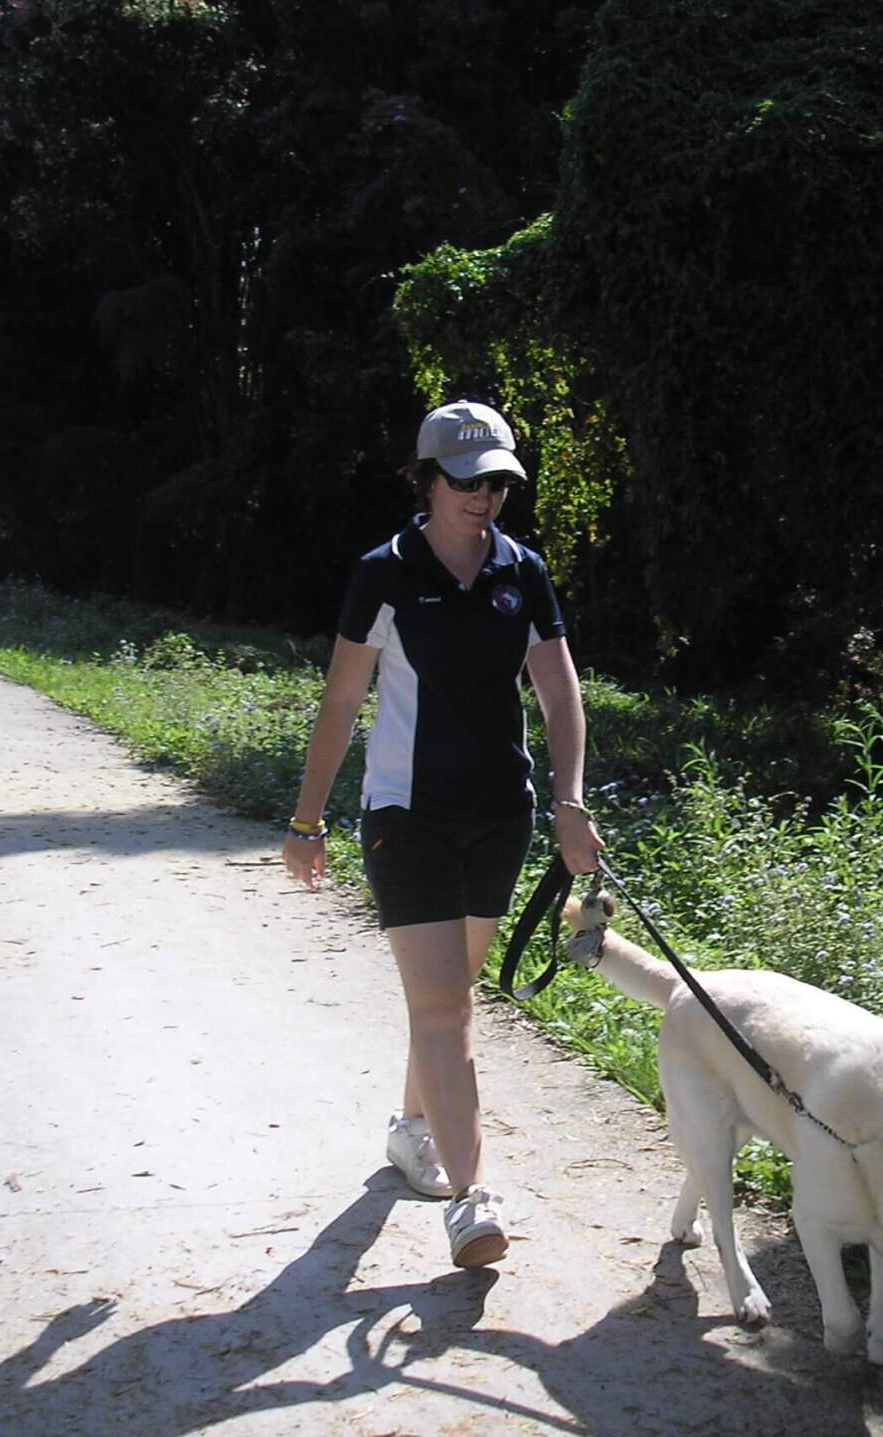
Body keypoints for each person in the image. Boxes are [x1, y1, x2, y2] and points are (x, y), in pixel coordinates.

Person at [281, 399, 603, 1268]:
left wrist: (570, 801)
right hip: (406, 818)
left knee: (447, 998)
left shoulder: (522, 571)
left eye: (497, 480)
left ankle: (411, 1126)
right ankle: (471, 1198)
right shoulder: (383, 572)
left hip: (501, 816)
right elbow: (343, 700)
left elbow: (559, 691)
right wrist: (306, 819)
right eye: (465, 480)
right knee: (446, 1006)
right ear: (424, 479)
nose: (483, 496)